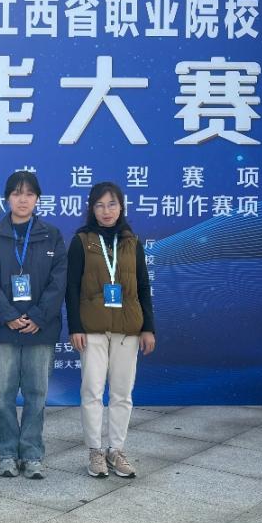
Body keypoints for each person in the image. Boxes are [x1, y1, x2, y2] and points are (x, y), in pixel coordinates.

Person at [0, 170, 67, 480]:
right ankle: (6, 454)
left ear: (38, 198)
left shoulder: (52, 235)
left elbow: (59, 281)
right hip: (2, 327)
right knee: (3, 395)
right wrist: (8, 315)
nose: (23, 199)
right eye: (17, 193)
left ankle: (31, 454)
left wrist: (38, 317)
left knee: (36, 394)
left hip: (40, 329)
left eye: (29, 194)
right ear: (7, 198)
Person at [66, 182, 155, 478]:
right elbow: (71, 287)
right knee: (92, 390)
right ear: (92, 208)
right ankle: (95, 451)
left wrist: (148, 328)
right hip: (92, 328)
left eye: (112, 204)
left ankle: (116, 450)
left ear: (121, 207)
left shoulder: (132, 241)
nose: (106, 211)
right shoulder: (81, 241)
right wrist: (75, 326)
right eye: (100, 205)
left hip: (128, 329)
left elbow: (143, 286)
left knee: (122, 393)